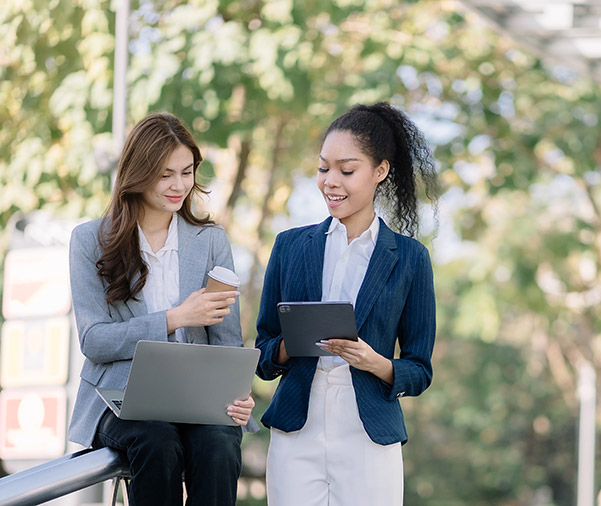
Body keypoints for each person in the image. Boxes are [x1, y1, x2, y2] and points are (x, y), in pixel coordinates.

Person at [255, 102, 438, 505]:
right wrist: (290, 344)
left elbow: (419, 369)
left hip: (369, 434)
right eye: (323, 168)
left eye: (346, 170)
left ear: (380, 172)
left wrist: (376, 362)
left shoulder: (410, 259)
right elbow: (262, 353)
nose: (330, 181)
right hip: (295, 430)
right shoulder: (289, 247)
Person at [67, 112, 255, 506]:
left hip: (198, 397)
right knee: (158, 441)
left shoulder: (209, 241)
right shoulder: (89, 241)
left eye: (186, 172)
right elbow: (94, 341)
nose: (179, 185)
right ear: (137, 173)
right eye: (165, 174)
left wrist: (238, 393)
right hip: (119, 397)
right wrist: (175, 319)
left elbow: (227, 342)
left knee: (219, 447)